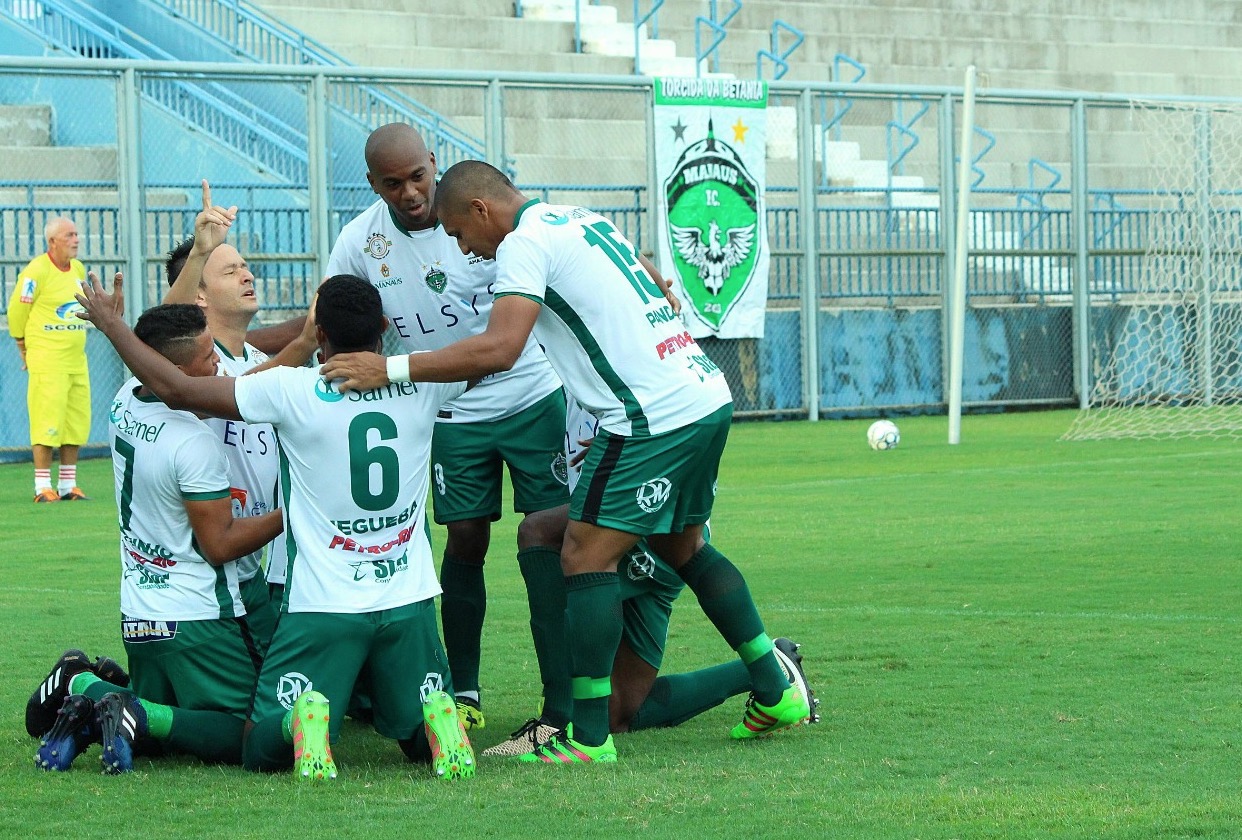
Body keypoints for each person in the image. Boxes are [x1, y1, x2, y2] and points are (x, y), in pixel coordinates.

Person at [321, 160, 812, 765]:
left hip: (647, 418)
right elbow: (653, 281)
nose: (459, 247)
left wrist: (390, 367)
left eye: (456, 232)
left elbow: (501, 349)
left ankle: (587, 737)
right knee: (675, 545)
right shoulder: (576, 216)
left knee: (582, 552)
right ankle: (772, 683)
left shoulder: (524, 243)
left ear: (479, 211)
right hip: (700, 394)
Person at [76, 272, 477, 782]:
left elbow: (177, 387)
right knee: (413, 726)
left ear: (322, 336)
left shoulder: (293, 389)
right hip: (408, 597)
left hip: (324, 604)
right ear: (381, 328)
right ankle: (435, 722)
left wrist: (112, 325)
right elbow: (491, 355)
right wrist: (403, 366)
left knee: (256, 745)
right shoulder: (423, 385)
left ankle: (299, 726)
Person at [324, 123, 571, 732]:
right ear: (372, 184)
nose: (410, 192)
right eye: (394, 183)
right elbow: (327, 321)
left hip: (533, 393)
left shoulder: (485, 217)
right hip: (450, 413)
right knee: (464, 537)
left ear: (433, 163)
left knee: (550, 536)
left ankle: (559, 695)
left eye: (417, 176)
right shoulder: (359, 243)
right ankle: (464, 690)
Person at [481, 399, 821, 757]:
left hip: (640, 522)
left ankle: (556, 717)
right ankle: (769, 667)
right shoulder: (577, 371)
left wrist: (632, 447)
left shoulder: (619, 357)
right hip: (653, 530)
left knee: (539, 534)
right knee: (616, 712)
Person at [26, 301, 284, 773]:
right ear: (173, 371)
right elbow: (219, 545)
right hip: (202, 621)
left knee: (170, 737)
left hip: (142, 617)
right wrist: (294, 512)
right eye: (208, 357)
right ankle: (132, 709)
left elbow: (154, 351)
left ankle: (85, 687)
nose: (218, 364)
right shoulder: (193, 443)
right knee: (256, 735)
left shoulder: (127, 397)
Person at [162, 179, 319, 652]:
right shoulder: (188, 364)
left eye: (246, 267)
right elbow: (163, 341)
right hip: (203, 577)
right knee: (252, 714)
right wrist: (197, 255)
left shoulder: (256, 359)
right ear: (201, 296)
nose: (247, 276)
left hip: (262, 559)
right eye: (230, 271)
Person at [7, 216, 92, 502]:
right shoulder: (36, 271)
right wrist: (22, 342)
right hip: (47, 359)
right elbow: (18, 310)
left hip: (76, 360)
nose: (76, 240)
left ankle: (68, 485)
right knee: (47, 420)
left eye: (77, 234)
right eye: (69, 235)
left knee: (75, 421)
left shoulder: (77, 268)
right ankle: (42, 486)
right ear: (52, 241)